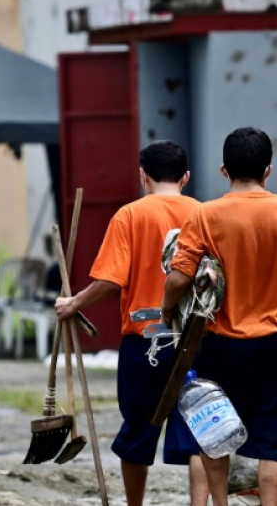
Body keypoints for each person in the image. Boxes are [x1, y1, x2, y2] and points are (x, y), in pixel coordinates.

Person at [161, 126, 277, 506]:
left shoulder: (205, 215)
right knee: (275, 445)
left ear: (223, 170)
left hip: (219, 345)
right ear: (268, 170)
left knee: (215, 432)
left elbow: (180, 276)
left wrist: (168, 308)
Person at [54, 140, 209, 506]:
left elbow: (110, 280)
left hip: (146, 342)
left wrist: (74, 303)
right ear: (186, 176)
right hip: (197, 338)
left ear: (143, 175)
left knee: (137, 431)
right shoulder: (205, 214)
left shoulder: (130, 216)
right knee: (203, 431)